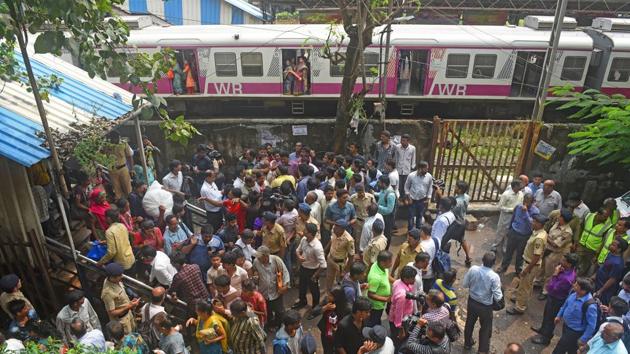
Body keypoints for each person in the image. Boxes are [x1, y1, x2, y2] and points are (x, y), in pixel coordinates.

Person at [532, 253, 579, 345]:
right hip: (552, 297)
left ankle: (546, 338)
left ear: (569, 264)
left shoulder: (567, 278)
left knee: (551, 318)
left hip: (557, 299)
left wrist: (555, 274)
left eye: (564, 261)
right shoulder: (565, 270)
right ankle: (542, 329)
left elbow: (551, 287)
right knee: (546, 314)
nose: (562, 261)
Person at [507, 213, 548, 315]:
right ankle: (520, 299)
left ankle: (520, 307)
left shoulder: (539, 238)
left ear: (540, 224)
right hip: (529, 262)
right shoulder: (538, 232)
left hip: (531, 264)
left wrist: (527, 269)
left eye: (535, 222)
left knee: (525, 287)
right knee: (525, 284)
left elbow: (536, 256)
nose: (532, 223)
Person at [463, 252, 503, 354]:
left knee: (469, 323)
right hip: (486, 307)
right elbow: (498, 296)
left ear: (482, 260)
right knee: (485, 328)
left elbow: (465, 284)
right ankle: (482, 351)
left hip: (472, 301)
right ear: (494, 263)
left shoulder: (473, 269)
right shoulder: (494, 277)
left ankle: (467, 343)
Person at [551, 277, 598, 354]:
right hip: (566, 326)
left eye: (577, 286)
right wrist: (559, 316)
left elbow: (592, 325)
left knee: (560, 348)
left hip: (575, 332)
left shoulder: (590, 306)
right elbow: (565, 305)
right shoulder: (573, 294)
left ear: (583, 291)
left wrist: (583, 338)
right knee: (572, 349)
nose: (574, 285)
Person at [498, 193, 539, 274]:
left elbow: (532, 223)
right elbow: (513, 218)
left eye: (528, 202)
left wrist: (526, 212)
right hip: (514, 232)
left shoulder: (535, 211)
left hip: (524, 235)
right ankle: (504, 266)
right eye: (525, 201)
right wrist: (509, 229)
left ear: (532, 202)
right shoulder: (518, 207)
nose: (526, 204)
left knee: (520, 254)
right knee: (508, 251)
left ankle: (518, 270)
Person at [252, 245, 290, 331]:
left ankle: (279, 325)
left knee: (279, 311)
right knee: (267, 310)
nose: (258, 259)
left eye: (260, 257)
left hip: (276, 291)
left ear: (266, 256)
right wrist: (255, 276)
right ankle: (270, 324)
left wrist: (285, 286)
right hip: (263, 292)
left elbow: (285, 273)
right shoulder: (256, 262)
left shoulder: (276, 260)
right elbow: (254, 271)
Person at [539, 209, 574, 299]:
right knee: (542, 267)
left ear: (564, 219)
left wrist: (545, 236)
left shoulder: (567, 232)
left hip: (555, 253)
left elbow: (556, 244)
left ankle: (545, 290)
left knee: (549, 272)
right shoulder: (556, 224)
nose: (558, 217)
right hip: (546, 249)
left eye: (560, 216)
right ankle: (538, 282)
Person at [294, 223, 326, 309]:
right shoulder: (304, 239)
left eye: (305, 231)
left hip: (313, 271)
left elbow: (323, 265)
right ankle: (302, 302)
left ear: (311, 234)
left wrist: (315, 275)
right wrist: (299, 257)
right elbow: (298, 250)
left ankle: (315, 307)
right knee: (302, 287)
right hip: (303, 267)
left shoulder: (317, 247)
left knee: (314, 290)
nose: (303, 231)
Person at [101, 263, 139, 334]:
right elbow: (112, 313)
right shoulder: (108, 293)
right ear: (112, 277)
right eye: (119, 276)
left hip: (128, 313)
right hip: (122, 320)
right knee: (128, 339)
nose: (122, 276)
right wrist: (129, 306)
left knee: (134, 331)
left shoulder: (116, 281)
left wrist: (130, 303)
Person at [577, 207, 615, 276]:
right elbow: (581, 227)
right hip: (581, 244)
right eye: (604, 217)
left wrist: (597, 252)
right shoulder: (589, 216)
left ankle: (577, 277)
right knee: (576, 261)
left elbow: (604, 240)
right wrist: (577, 240)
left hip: (592, 250)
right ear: (598, 214)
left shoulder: (608, 225)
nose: (606, 219)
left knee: (585, 266)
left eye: (607, 217)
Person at [97, 209, 136, 273]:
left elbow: (111, 252)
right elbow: (121, 240)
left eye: (105, 217)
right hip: (131, 257)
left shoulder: (109, 232)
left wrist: (100, 262)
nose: (104, 219)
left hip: (122, 263)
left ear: (109, 219)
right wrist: (105, 242)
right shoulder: (122, 226)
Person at [492, 180, 523, 254]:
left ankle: (505, 248)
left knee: (509, 233)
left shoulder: (521, 194)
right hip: (506, 216)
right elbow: (500, 207)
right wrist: (511, 210)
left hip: (515, 217)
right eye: (519, 185)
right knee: (501, 231)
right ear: (514, 186)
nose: (521, 187)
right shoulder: (506, 195)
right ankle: (495, 246)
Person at [317, 286, 351, 354]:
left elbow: (349, 323)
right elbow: (312, 314)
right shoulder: (327, 302)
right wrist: (325, 308)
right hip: (326, 334)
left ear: (338, 297)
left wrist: (339, 329)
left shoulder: (347, 308)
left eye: (331, 296)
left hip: (339, 336)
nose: (328, 297)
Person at [594, 238, 628, 305]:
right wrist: (594, 276)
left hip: (604, 291)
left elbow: (612, 279)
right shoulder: (610, 254)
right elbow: (603, 267)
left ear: (619, 249)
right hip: (598, 284)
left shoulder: (618, 263)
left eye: (613, 245)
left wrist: (601, 291)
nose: (610, 245)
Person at [389, 266, 417, 346]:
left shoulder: (397, 282)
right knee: (399, 340)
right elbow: (398, 312)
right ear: (405, 278)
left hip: (400, 316)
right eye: (413, 278)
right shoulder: (402, 295)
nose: (414, 280)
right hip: (400, 320)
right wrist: (400, 328)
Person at [325, 219, 356, 290]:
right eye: (335, 225)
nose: (334, 227)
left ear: (342, 229)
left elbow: (351, 256)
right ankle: (328, 295)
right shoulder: (334, 230)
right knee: (329, 279)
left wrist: (345, 271)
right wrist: (325, 250)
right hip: (330, 258)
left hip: (340, 264)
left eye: (337, 227)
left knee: (340, 283)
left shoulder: (349, 240)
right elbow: (331, 240)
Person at [367, 250, 393, 327]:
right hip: (376, 306)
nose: (391, 263)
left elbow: (387, 276)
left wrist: (397, 282)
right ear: (382, 262)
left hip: (381, 303)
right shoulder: (375, 277)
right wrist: (386, 299)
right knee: (374, 321)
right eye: (390, 262)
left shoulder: (380, 266)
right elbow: (370, 294)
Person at [404, 160, 432, 230]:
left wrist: (428, 198)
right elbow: (406, 187)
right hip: (412, 200)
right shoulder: (411, 175)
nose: (427, 170)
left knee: (420, 216)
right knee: (410, 216)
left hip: (422, 200)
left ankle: (418, 231)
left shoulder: (429, 176)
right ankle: (410, 231)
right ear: (420, 168)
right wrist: (408, 197)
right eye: (426, 168)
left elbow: (430, 188)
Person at [107, 132, 133, 199]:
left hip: (123, 168)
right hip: (112, 170)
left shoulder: (124, 143)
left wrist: (131, 169)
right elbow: (101, 153)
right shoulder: (107, 145)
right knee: (117, 190)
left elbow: (129, 156)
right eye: (113, 139)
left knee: (128, 188)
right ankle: (123, 205)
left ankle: (131, 203)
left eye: (117, 138)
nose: (115, 140)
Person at [350, 185, 376, 250]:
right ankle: (359, 254)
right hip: (358, 222)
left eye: (362, 192)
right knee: (358, 239)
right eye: (359, 192)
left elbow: (375, 208)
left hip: (368, 221)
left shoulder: (371, 197)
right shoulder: (353, 198)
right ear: (356, 192)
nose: (361, 194)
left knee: (369, 238)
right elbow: (351, 209)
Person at [375, 176, 396, 248]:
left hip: (387, 218)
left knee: (386, 234)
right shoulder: (384, 190)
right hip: (382, 215)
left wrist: (377, 206)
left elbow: (389, 210)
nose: (378, 183)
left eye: (379, 182)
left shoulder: (390, 195)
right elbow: (381, 195)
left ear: (383, 184)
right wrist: (374, 193)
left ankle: (386, 250)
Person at [395, 134, 416, 198]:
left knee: (406, 187)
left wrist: (412, 169)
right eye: (401, 140)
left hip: (407, 171)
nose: (402, 142)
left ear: (408, 141)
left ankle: (405, 200)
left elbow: (413, 159)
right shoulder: (397, 147)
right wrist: (395, 168)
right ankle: (399, 199)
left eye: (404, 140)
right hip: (398, 170)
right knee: (398, 186)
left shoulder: (412, 148)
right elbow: (396, 158)